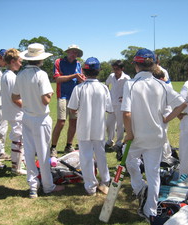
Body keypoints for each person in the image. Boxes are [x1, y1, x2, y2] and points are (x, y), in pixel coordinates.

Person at [122, 48, 187, 224]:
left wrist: (129, 134)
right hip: (156, 137)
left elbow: (126, 113)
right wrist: (167, 119)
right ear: (153, 65)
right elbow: (182, 104)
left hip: (137, 137)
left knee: (129, 160)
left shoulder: (130, 84)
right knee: (153, 174)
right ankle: (150, 210)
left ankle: (138, 188)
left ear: (136, 65)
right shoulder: (162, 85)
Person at [12, 43, 65, 198]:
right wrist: (50, 94)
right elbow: (46, 100)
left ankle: (33, 187)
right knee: (43, 153)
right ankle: (48, 186)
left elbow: (14, 97)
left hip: (27, 117)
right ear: (40, 59)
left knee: (28, 152)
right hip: (40, 118)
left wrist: (27, 106)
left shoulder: (20, 74)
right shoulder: (41, 74)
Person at [68, 57, 113, 196]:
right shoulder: (103, 88)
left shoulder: (79, 88)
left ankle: (90, 187)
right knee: (101, 155)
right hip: (98, 128)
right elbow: (109, 109)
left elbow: (72, 109)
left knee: (86, 157)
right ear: (98, 71)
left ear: (83, 71)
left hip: (83, 128)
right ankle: (105, 181)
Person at [50, 44, 85, 157]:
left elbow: (80, 80)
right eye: (72, 51)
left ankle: (69, 146)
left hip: (75, 96)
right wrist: (74, 75)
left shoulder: (78, 64)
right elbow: (58, 79)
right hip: (63, 95)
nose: (73, 54)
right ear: (67, 52)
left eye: (76, 52)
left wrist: (82, 80)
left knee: (73, 122)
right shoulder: (59, 62)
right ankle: (53, 147)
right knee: (61, 122)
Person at [1, 48, 27, 175]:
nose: (21, 64)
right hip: (15, 112)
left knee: (20, 137)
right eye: (20, 61)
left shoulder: (7, 75)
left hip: (12, 111)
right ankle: (16, 167)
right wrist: (27, 107)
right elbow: (15, 98)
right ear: (12, 61)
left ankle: (20, 162)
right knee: (18, 138)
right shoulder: (11, 77)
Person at [105, 60, 130, 152]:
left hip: (121, 105)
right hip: (111, 104)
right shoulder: (111, 76)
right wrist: (107, 95)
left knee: (120, 125)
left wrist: (125, 97)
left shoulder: (126, 78)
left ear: (122, 69)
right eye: (114, 69)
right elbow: (106, 85)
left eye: (117, 69)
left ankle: (119, 142)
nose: (115, 71)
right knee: (109, 124)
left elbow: (131, 90)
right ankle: (109, 141)